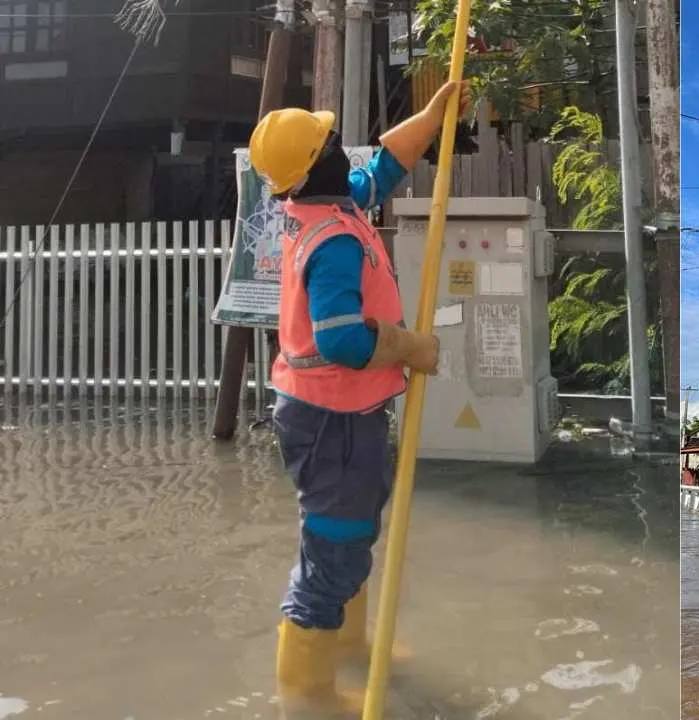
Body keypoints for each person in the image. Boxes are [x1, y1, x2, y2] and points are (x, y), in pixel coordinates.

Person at [248, 80, 471, 713]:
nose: (343, 146)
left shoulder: (334, 203)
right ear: (318, 161)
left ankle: (348, 649)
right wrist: (411, 347)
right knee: (335, 545)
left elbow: (385, 167)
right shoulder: (333, 240)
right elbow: (343, 340)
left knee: (347, 537)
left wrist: (431, 116)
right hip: (331, 420)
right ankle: (308, 694)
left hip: (342, 415)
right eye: (330, 140)